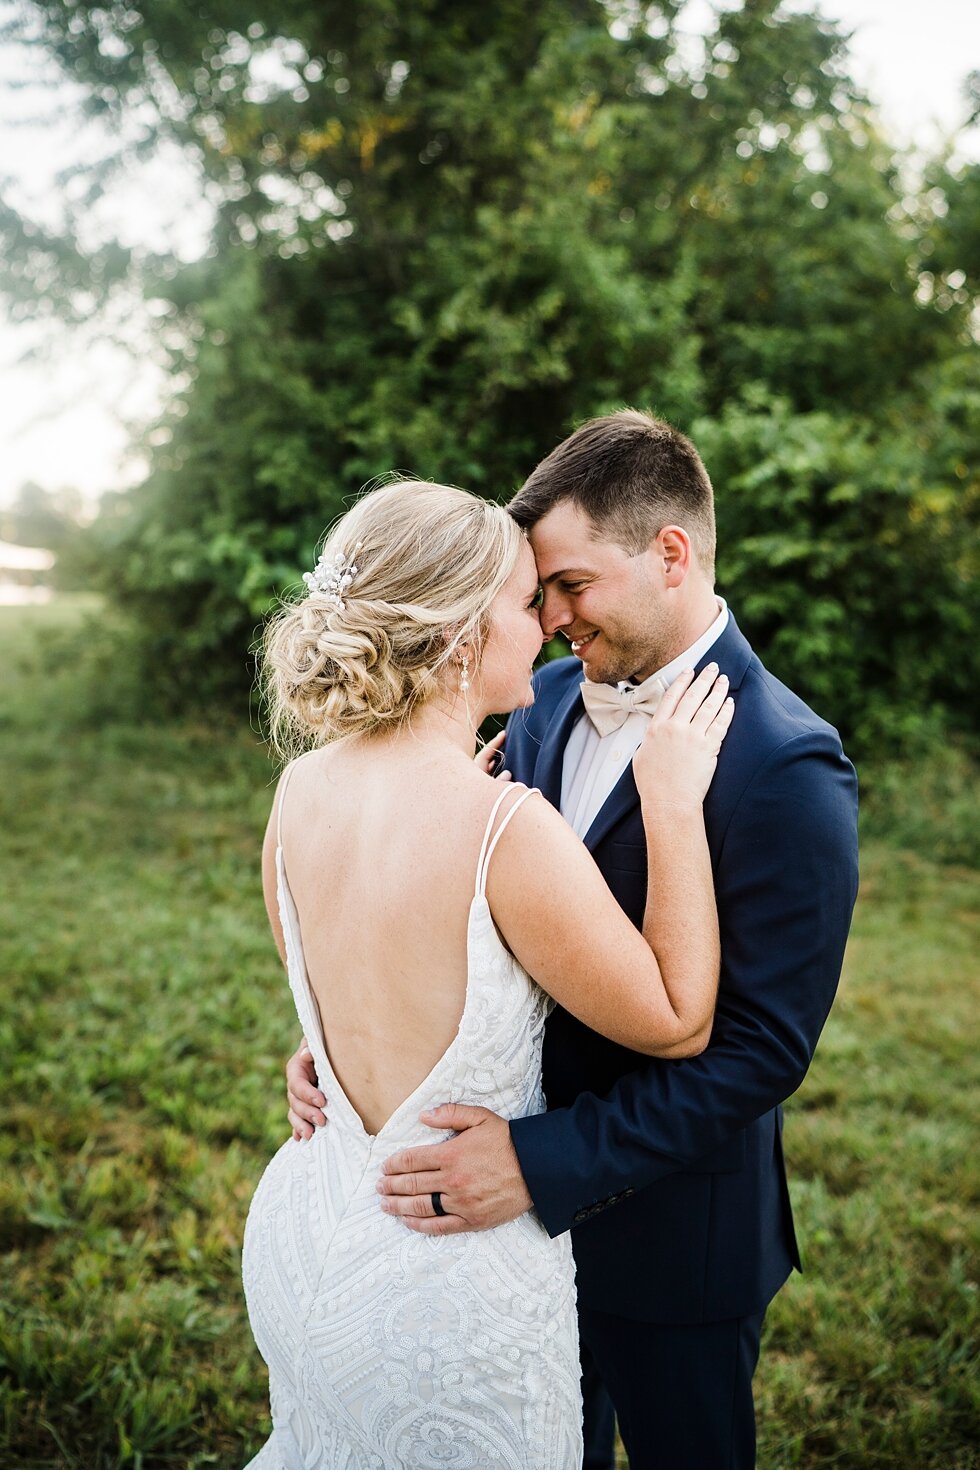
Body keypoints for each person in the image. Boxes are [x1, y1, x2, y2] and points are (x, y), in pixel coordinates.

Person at [287, 413, 860, 1470]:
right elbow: (475, 916)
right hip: (484, 1242)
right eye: (535, 594)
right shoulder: (537, 700)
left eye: (571, 586)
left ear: (670, 555)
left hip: (668, 1242)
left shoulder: (785, 765)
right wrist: (361, 1042)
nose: (547, 620)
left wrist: (540, 1163)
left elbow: (758, 1054)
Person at [245, 476, 735, 1469]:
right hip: (442, 1283)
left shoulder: (299, 790)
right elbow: (678, 1020)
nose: (546, 626)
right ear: (464, 634)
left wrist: (316, 1060)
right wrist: (672, 802)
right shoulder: (506, 829)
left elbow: (336, 979)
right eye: (523, 603)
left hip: (307, 1235)